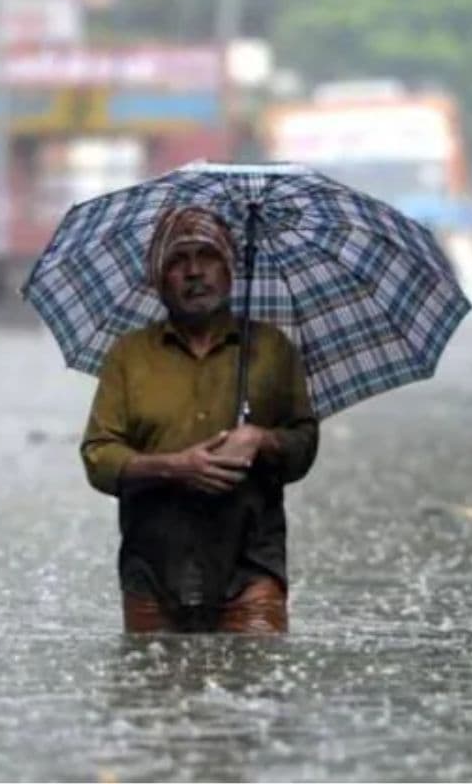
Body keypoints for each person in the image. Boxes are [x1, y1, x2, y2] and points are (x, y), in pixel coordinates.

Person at [80, 206, 319, 634]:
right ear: (158, 280)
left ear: (230, 270)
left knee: (256, 687)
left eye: (207, 256)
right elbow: (99, 457)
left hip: (250, 566)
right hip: (153, 568)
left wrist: (260, 439)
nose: (194, 272)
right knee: (153, 693)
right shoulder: (129, 356)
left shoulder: (271, 350)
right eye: (177, 261)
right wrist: (175, 467)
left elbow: (303, 445)